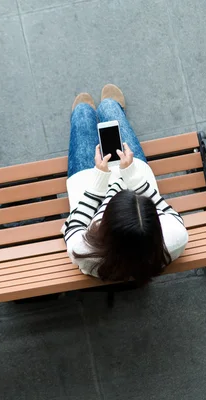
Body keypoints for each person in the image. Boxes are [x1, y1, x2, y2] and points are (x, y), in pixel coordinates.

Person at [62, 84, 188, 285]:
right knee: (107, 108)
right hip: (130, 172)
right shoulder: (174, 239)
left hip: (90, 183)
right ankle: (110, 107)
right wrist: (131, 176)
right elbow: (170, 214)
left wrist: (99, 182)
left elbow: (74, 225)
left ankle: (100, 109)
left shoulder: (84, 251)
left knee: (83, 113)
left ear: (105, 223)